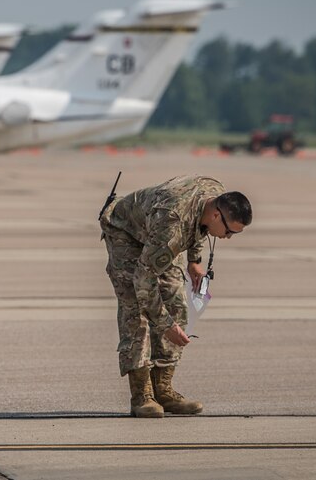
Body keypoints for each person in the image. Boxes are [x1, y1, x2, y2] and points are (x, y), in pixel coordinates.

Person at [99, 175, 252, 418]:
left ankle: (163, 390)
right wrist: (165, 325)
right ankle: (142, 396)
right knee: (136, 313)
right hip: (125, 233)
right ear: (217, 215)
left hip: (156, 232)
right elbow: (143, 279)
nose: (228, 237)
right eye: (229, 231)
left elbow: (198, 226)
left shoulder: (215, 193)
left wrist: (194, 261)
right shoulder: (172, 225)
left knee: (177, 305)